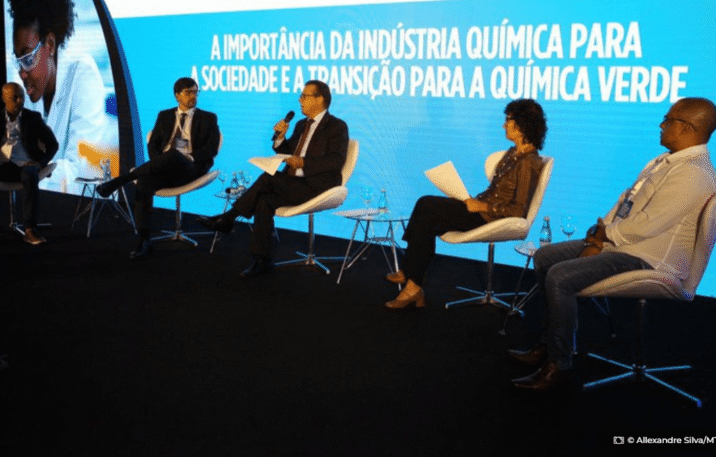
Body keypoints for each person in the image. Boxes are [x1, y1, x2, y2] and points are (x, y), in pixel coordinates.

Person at [510, 97, 716, 392]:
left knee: (561, 276)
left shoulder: (693, 172)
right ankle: (549, 343)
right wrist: (600, 234)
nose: (661, 125)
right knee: (545, 256)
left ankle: (559, 364)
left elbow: (649, 224)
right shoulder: (664, 161)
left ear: (686, 128)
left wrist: (604, 238)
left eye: (668, 120)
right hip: (624, 243)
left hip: (650, 256)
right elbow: (625, 201)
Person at [385, 99, 548, 309]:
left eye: (508, 120)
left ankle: (411, 277)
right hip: (481, 209)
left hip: (490, 218)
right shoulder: (512, 153)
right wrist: (470, 198)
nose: (504, 125)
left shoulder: (528, 163)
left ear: (522, 125)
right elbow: (494, 191)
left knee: (426, 206)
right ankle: (413, 284)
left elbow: (519, 210)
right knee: (426, 217)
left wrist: (483, 207)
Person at [199, 80, 349, 277]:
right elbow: (287, 152)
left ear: (320, 99)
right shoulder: (301, 124)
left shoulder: (337, 126)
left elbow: (336, 160)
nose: (300, 100)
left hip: (318, 187)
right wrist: (280, 138)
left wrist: (303, 163)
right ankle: (261, 261)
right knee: (264, 201)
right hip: (293, 184)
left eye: (304, 96)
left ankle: (228, 218)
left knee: (268, 178)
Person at [8, 0, 118, 193]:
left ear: (49, 44)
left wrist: (27, 173)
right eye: (18, 60)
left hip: (80, 202)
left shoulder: (83, 74)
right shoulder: (24, 87)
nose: (22, 73)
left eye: (27, 59)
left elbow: (78, 169)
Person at [96, 77, 220, 259]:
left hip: (191, 168)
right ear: (177, 95)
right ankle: (144, 240)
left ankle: (120, 181)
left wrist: (188, 157)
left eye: (196, 92)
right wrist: (160, 162)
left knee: (174, 154)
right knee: (144, 184)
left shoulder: (208, 118)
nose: (193, 96)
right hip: (165, 168)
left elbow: (211, 149)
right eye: (188, 92)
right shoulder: (165, 115)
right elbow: (153, 144)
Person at [0, 83, 58, 246]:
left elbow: (53, 144)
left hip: (24, 164)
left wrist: (40, 163)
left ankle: (30, 230)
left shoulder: (33, 118)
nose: (20, 101)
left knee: (30, 175)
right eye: (14, 98)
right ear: (4, 99)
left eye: (22, 96)